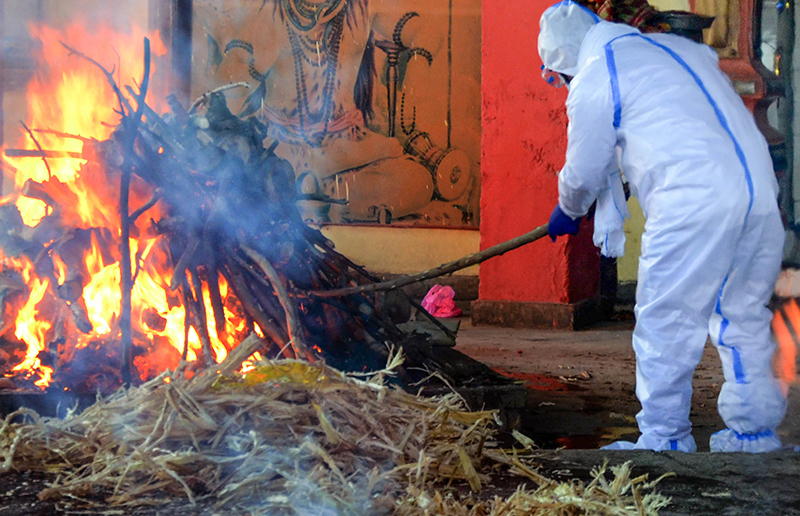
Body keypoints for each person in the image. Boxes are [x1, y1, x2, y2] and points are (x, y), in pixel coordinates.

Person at [539, 0, 787, 452]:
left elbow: (584, 166)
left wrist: (569, 209)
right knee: (742, 317)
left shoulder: (600, 71)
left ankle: (664, 439)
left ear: (566, 64)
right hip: (757, 195)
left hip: (692, 203)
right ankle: (754, 434)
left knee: (666, 322)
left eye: (560, 78)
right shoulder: (677, 50)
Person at [206, 0, 444, 224]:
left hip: (347, 146)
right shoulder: (272, 9)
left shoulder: (361, 6)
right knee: (262, 179)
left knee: (418, 181)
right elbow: (228, 80)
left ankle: (319, 203)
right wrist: (253, 66)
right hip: (284, 146)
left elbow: (426, 30)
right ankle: (314, 196)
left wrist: (418, 65)